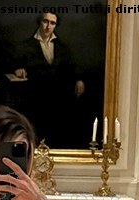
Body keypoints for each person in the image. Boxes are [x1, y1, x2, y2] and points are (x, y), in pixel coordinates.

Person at [13, 12, 85, 147]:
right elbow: (12, 64)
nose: (48, 26)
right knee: (35, 133)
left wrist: (79, 80)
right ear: (39, 22)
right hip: (35, 97)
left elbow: (72, 66)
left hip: (58, 97)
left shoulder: (62, 46)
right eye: (45, 21)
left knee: (59, 132)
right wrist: (18, 69)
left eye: (52, 23)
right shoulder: (26, 45)